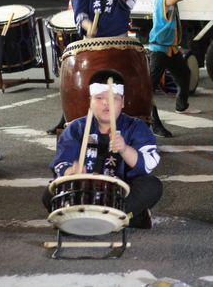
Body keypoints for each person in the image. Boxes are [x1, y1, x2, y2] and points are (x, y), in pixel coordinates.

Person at [42, 69, 163, 229]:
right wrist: (71, 172)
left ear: (123, 101)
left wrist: (124, 149)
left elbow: (148, 164)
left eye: (114, 98)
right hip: (83, 192)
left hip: (120, 193)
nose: (106, 103)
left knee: (152, 186)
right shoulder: (77, 128)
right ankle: (129, 219)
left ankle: (106, 218)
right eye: (99, 98)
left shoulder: (135, 127)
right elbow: (60, 163)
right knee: (49, 193)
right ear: (90, 101)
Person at [48, 0, 138, 135]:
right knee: (85, 81)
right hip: (92, 42)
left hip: (118, 41)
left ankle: (148, 117)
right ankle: (67, 118)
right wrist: (88, 25)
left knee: (127, 80)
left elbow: (129, 3)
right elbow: (79, 12)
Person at [147, 0, 206, 137]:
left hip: (171, 49)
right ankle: (146, 115)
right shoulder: (162, 0)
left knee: (184, 74)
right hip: (159, 49)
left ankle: (182, 105)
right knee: (150, 85)